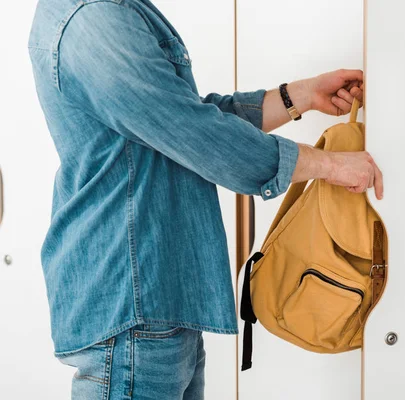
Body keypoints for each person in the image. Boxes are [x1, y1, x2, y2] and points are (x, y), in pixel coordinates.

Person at [28, 0, 384, 398]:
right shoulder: (92, 18)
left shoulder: (110, 10)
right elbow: (191, 130)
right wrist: (330, 166)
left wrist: (297, 96)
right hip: (134, 304)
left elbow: (184, 117)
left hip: (155, 298)